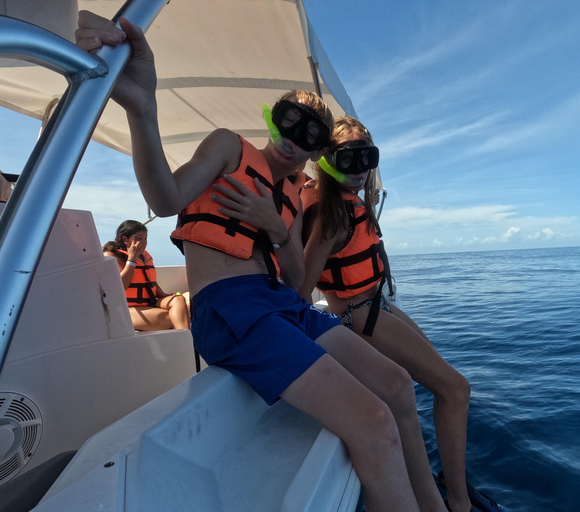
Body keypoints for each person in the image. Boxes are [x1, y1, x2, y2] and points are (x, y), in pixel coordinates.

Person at [76, 12, 447, 512]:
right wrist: (142, 108)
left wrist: (274, 226)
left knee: (398, 387)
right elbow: (165, 198)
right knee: (372, 421)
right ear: (273, 119)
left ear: (320, 150)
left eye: (312, 135)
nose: (296, 139)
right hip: (232, 309)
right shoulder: (230, 147)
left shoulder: (294, 197)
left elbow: (297, 283)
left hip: (281, 306)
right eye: (289, 122)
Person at [297, 116, 474, 512]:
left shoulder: (351, 202)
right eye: (347, 159)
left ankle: (442, 483)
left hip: (378, 305)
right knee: (456, 389)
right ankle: (455, 503)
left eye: (367, 157)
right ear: (325, 160)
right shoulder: (328, 214)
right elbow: (301, 286)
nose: (359, 169)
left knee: (445, 383)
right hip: (360, 315)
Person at [102, 220, 190, 331]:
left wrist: (163, 294)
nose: (144, 242)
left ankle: (187, 341)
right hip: (125, 309)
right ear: (125, 239)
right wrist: (132, 260)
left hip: (149, 303)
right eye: (138, 238)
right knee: (173, 318)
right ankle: (187, 343)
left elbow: (149, 281)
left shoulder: (143, 256)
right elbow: (120, 286)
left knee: (178, 300)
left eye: (145, 238)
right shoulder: (112, 256)